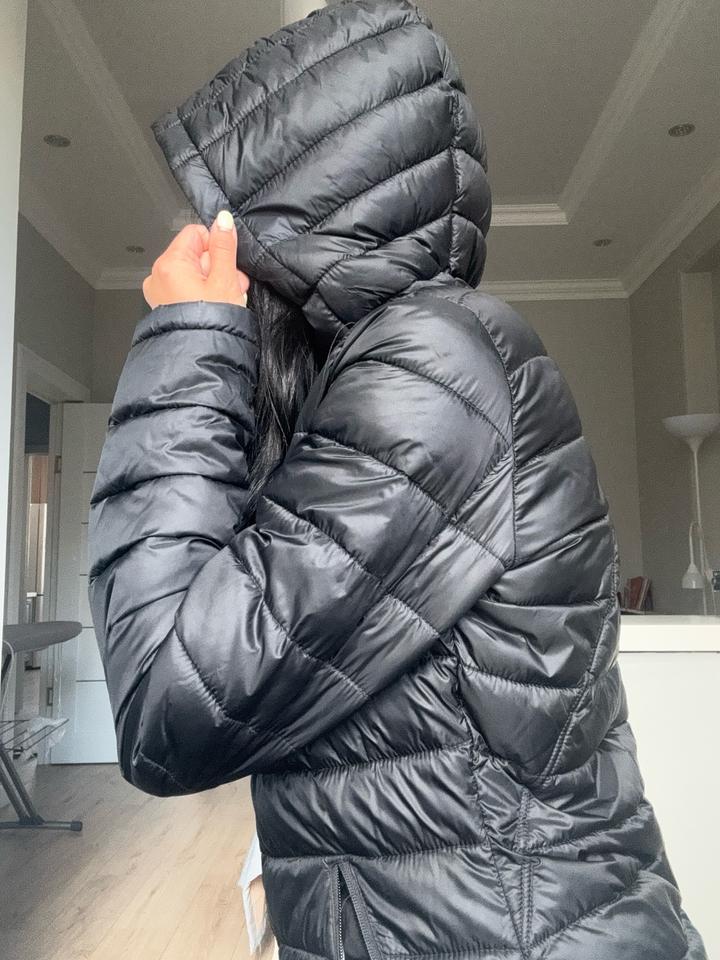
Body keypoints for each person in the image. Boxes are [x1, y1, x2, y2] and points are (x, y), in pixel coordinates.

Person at [87, 1, 706, 958]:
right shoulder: (415, 368)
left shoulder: (431, 369)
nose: (205, 239)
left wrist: (187, 335)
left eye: (226, 216)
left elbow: (167, 703)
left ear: (297, 222)